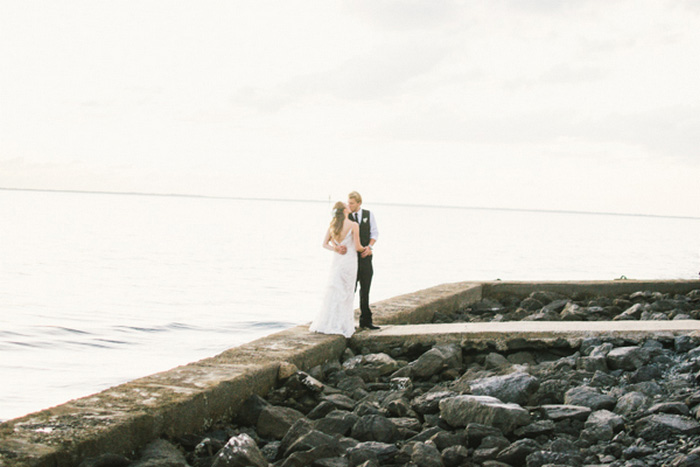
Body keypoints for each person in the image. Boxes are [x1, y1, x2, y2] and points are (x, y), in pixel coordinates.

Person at [309, 201, 367, 338]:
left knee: (335, 290)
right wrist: (368, 249)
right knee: (346, 293)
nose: (349, 206)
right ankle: (343, 325)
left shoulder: (333, 225)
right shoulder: (353, 225)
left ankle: (328, 322)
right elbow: (358, 247)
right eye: (347, 206)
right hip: (349, 262)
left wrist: (335, 248)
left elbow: (324, 244)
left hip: (338, 261)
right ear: (345, 211)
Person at [347, 191, 379, 329]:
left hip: (366, 258)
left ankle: (366, 320)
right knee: (350, 290)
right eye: (348, 202)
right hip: (350, 259)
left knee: (365, 290)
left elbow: (375, 233)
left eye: (352, 203)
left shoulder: (368, 214)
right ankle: (346, 320)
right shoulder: (346, 215)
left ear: (359, 203)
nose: (349, 205)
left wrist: (369, 247)